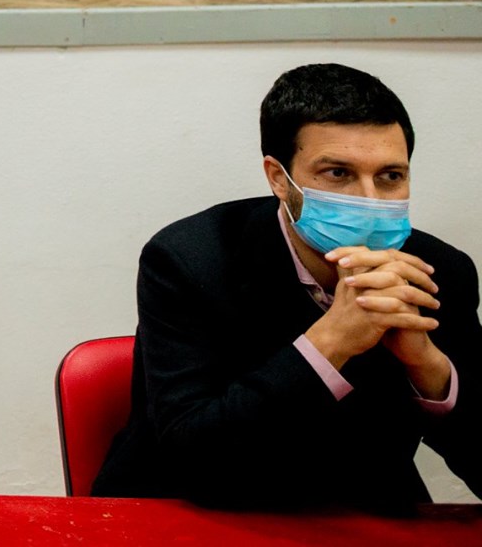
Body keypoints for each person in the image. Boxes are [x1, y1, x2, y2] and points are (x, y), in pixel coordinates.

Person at [95, 62, 482, 508]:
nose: (370, 199)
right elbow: (193, 454)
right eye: (338, 173)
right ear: (280, 178)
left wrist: (428, 367)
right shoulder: (190, 260)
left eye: (390, 176)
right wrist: (329, 343)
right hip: (194, 509)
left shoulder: (438, 272)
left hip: (359, 506)